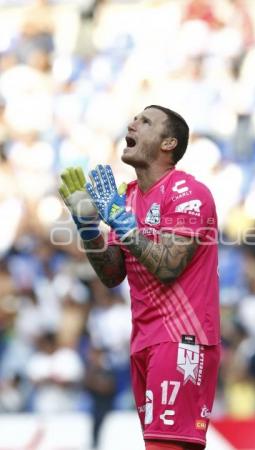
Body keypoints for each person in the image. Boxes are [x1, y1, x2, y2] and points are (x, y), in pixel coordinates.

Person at [59, 105, 220, 450]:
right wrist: (89, 228)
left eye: (145, 121)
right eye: (135, 118)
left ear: (168, 143)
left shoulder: (189, 194)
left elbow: (168, 265)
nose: (132, 122)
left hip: (182, 339)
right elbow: (113, 273)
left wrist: (120, 219)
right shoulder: (128, 197)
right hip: (144, 340)